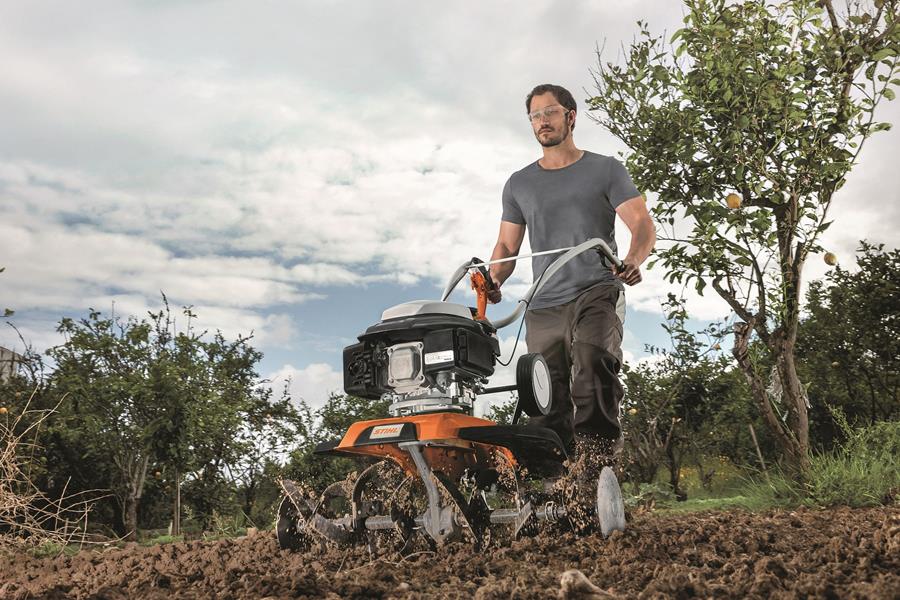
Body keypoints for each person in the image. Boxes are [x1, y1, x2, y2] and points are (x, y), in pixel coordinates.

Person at [487, 83, 655, 463]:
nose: (542, 121)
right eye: (535, 115)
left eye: (550, 112)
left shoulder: (605, 169)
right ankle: (552, 485)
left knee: (593, 368)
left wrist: (632, 259)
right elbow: (506, 247)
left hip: (596, 289)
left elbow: (642, 222)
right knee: (545, 394)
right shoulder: (519, 184)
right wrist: (494, 279)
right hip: (543, 302)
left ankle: (596, 468)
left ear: (570, 117)